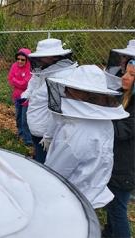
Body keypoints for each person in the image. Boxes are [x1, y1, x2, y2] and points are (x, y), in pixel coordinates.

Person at [44, 65, 129, 209]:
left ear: (83, 94)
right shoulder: (104, 121)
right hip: (91, 190)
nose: (64, 92)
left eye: (69, 89)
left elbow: (56, 174)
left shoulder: (75, 132)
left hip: (71, 197)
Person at [21, 38, 78, 163]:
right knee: (40, 160)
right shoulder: (45, 69)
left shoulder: (61, 76)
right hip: (39, 129)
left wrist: (48, 135)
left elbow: (57, 110)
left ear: (54, 57)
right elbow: (34, 81)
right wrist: (27, 94)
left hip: (47, 134)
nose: (39, 60)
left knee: (46, 166)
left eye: (43, 57)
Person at [102, 59, 135, 238]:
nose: (124, 77)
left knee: (118, 209)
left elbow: (122, 131)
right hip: (116, 161)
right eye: (125, 72)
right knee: (112, 203)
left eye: (132, 75)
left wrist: (100, 121)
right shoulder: (123, 96)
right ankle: (109, 233)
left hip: (125, 166)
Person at [7, 48, 33, 145]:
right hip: (17, 96)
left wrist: (16, 81)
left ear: (27, 60)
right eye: (18, 59)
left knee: (25, 118)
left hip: (26, 98)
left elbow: (26, 84)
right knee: (18, 117)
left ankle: (28, 139)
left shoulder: (30, 68)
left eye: (23, 60)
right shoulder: (14, 66)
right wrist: (19, 82)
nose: (20, 61)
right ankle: (21, 134)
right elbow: (10, 78)